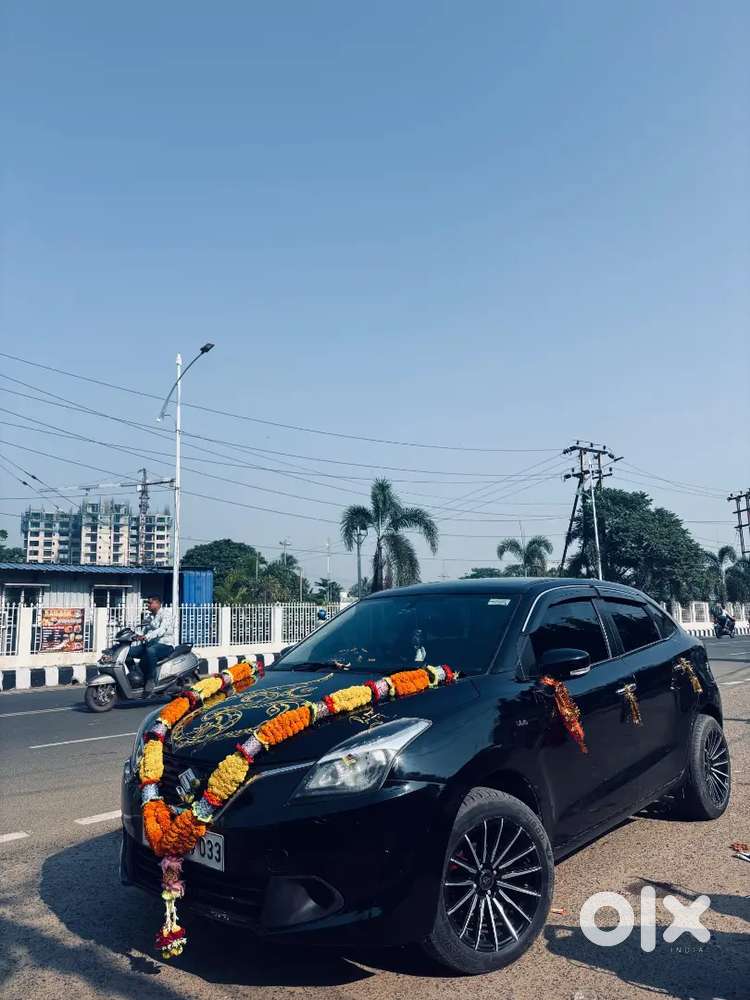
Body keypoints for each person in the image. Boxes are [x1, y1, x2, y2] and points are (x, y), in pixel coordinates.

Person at [130, 596, 176, 693]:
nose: (148, 605)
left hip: (165, 645)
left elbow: (161, 630)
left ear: (158, 604)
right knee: (127, 652)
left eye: (150, 603)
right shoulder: (149, 617)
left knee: (151, 651)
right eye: (147, 603)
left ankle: (150, 679)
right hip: (150, 644)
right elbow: (142, 631)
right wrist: (133, 636)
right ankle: (137, 675)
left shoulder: (166, 614)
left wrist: (147, 636)